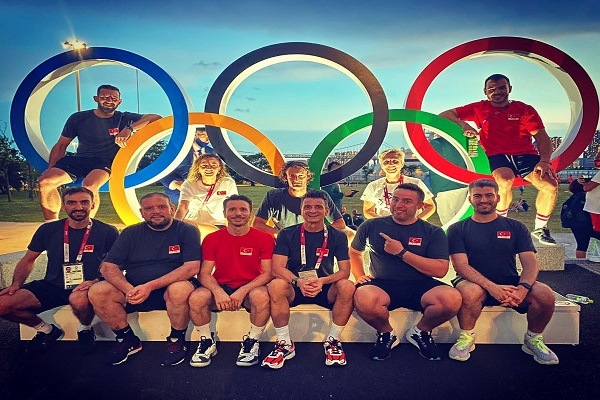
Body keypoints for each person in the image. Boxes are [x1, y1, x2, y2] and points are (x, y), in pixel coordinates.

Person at [446, 179, 559, 365]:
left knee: (545, 293)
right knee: (470, 291)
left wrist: (522, 289)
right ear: (470, 199)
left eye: (489, 195)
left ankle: (533, 339)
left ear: (498, 198)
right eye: (477, 196)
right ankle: (466, 337)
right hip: (473, 283)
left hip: (509, 281)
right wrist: (492, 288)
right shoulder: (457, 229)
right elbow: (461, 266)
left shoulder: (516, 227)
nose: (483, 200)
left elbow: (530, 264)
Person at [440, 73, 559, 245]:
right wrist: (463, 124)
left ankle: (540, 228)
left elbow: (542, 137)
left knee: (550, 185)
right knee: (504, 180)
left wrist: (545, 161)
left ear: (510, 89)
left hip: (526, 154)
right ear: (485, 92)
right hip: (496, 155)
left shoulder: (524, 109)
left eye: (502, 88)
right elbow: (445, 114)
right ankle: (499, 223)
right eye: (492, 89)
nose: (497, 92)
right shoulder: (479, 108)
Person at [0, 187, 118, 354]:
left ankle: (85, 329)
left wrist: (97, 281)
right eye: (72, 203)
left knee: (79, 300)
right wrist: (16, 284)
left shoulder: (107, 231)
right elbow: (28, 260)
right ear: (63, 206)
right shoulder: (48, 230)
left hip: (87, 286)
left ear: (92, 205)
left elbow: (117, 265)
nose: (78, 207)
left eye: (84, 202)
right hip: (52, 285)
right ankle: (46, 330)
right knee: (3, 304)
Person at [350, 183, 461, 361]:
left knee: (452, 299)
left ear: (420, 206)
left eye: (407, 201)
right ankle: (386, 333)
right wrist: (359, 275)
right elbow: (355, 252)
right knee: (363, 296)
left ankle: (421, 332)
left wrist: (401, 253)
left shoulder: (433, 232)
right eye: (395, 199)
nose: (398, 205)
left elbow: (440, 270)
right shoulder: (371, 225)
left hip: (421, 285)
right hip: (382, 285)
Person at [88, 193, 201, 366]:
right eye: (149, 208)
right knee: (98, 291)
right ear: (142, 212)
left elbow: (192, 267)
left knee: (180, 289)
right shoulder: (130, 233)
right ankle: (127, 339)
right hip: (135, 289)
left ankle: (177, 339)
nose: (156, 211)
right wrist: (128, 289)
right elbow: (108, 267)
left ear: (172, 209)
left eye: (161, 207)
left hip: (171, 289)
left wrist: (149, 286)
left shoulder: (187, 230)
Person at [38, 85, 161, 221]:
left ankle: (86, 225)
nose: (109, 100)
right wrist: (51, 168)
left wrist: (129, 129)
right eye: (104, 97)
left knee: (89, 186)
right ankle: (51, 224)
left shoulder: (124, 118)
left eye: (114, 98)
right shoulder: (78, 118)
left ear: (119, 101)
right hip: (80, 159)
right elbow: (61, 145)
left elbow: (156, 118)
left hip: (105, 162)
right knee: (45, 182)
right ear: (96, 98)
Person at [261, 190, 355, 368]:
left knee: (347, 286)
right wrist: (298, 281)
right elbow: (277, 268)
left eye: (318, 207)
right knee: (276, 284)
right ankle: (284, 343)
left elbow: (345, 271)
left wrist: (322, 281)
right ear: (301, 210)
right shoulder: (287, 234)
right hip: (295, 286)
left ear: (327, 211)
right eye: (308, 207)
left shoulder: (337, 235)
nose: (313, 211)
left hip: (323, 287)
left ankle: (333, 341)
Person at [188, 194, 274, 367]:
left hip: (251, 287)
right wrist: (218, 291)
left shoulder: (264, 238)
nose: (238, 213)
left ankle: (252, 342)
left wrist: (242, 291)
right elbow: (204, 273)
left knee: (261, 296)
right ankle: (206, 341)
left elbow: (268, 273)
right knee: (197, 297)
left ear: (250, 213)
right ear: (224, 213)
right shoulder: (212, 238)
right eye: (232, 209)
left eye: (243, 209)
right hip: (222, 286)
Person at [253, 160, 347, 235]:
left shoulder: (321, 196)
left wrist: (317, 234)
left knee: (349, 234)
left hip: (313, 238)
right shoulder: (274, 195)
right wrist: (283, 235)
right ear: (285, 177)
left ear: (307, 177)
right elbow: (257, 224)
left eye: (301, 176)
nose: (296, 179)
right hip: (284, 241)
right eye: (292, 176)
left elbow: (340, 224)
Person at [174, 154, 238, 239]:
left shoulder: (227, 183)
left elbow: (233, 206)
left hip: (217, 224)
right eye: (204, 165)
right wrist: (175, 226)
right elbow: (183, 206)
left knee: (191, 227)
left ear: (219, 169)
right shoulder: (189, 184)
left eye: (213, 165)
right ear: (198, 168)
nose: (208, 168)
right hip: (193, 222)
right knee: (177, 224)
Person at [360, 148, 435, 220]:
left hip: (412, 227)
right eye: (386, 162)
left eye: (395, 161)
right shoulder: (373, 186)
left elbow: (430, 206)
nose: (390, 164)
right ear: (381, 165)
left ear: (402, 164)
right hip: (384, 227)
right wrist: (383, 224)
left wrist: (414, 222)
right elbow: (368, 210)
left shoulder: (416, 183)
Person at [158, 125, 215, 205]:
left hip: (205, 193)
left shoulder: (212, 151)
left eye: (210, 136)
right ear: (194, 135)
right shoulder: (178, 149)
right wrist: (175, 183)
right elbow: (159, 169)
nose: (208, 139)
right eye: (204, 135)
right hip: (179, 193)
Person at [421, 134, 469, 225]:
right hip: (462, 183)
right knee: (460, 216)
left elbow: (430, 161)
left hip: (444, 185)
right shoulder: (460, 142)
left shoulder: (436, 143)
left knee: (447, 218)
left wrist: (422, 169)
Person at [562, 179, 600, 260]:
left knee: (581, 245)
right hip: (587, 224)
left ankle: (580, 262)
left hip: (575, 224)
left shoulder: (572, 198)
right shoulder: (586, 197)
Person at [579, 150, 600, 262]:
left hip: (596, 208)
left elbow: (588, 188)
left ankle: (597, 255)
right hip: (596, 207)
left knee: (597, 231)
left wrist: (585, 184)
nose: (596, 161)